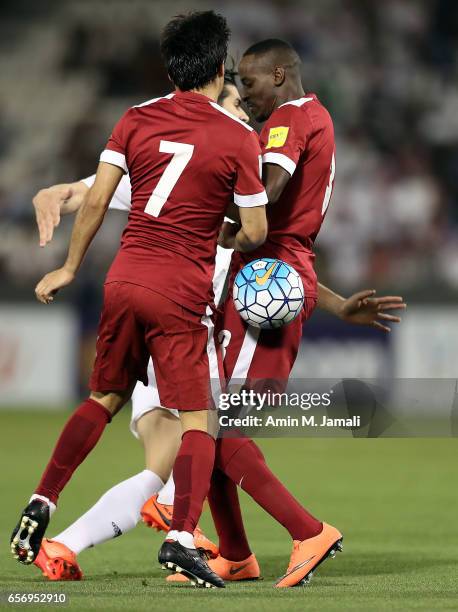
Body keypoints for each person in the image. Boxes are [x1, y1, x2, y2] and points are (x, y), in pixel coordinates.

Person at [11, 11, 269, 589]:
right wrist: (226, 229)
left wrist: (69, 267)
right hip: (180, 292)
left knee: (103, 396)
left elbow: (99, 199)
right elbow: (255, 230)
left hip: (124, 278)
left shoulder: (137, 119)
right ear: (220, 66)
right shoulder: (236, 138)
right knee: (202, 418)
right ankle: (181, 536)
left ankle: (43, 497)